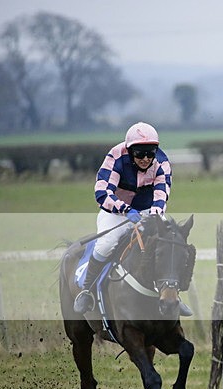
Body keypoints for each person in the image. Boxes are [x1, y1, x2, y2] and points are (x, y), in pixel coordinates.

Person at [73, 121, 191, 316]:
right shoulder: (115, 157)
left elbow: (161, 194)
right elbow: (102, 192)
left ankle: (173, 296)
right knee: (106, 243)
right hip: (115, 212)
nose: (145, 158)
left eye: (150, 153)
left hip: (147, 211)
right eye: (139, 153)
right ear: (129, 151)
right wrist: (125, 209)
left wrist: (154, 216)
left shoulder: (162, 162)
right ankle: (86, 291)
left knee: (165, 244)